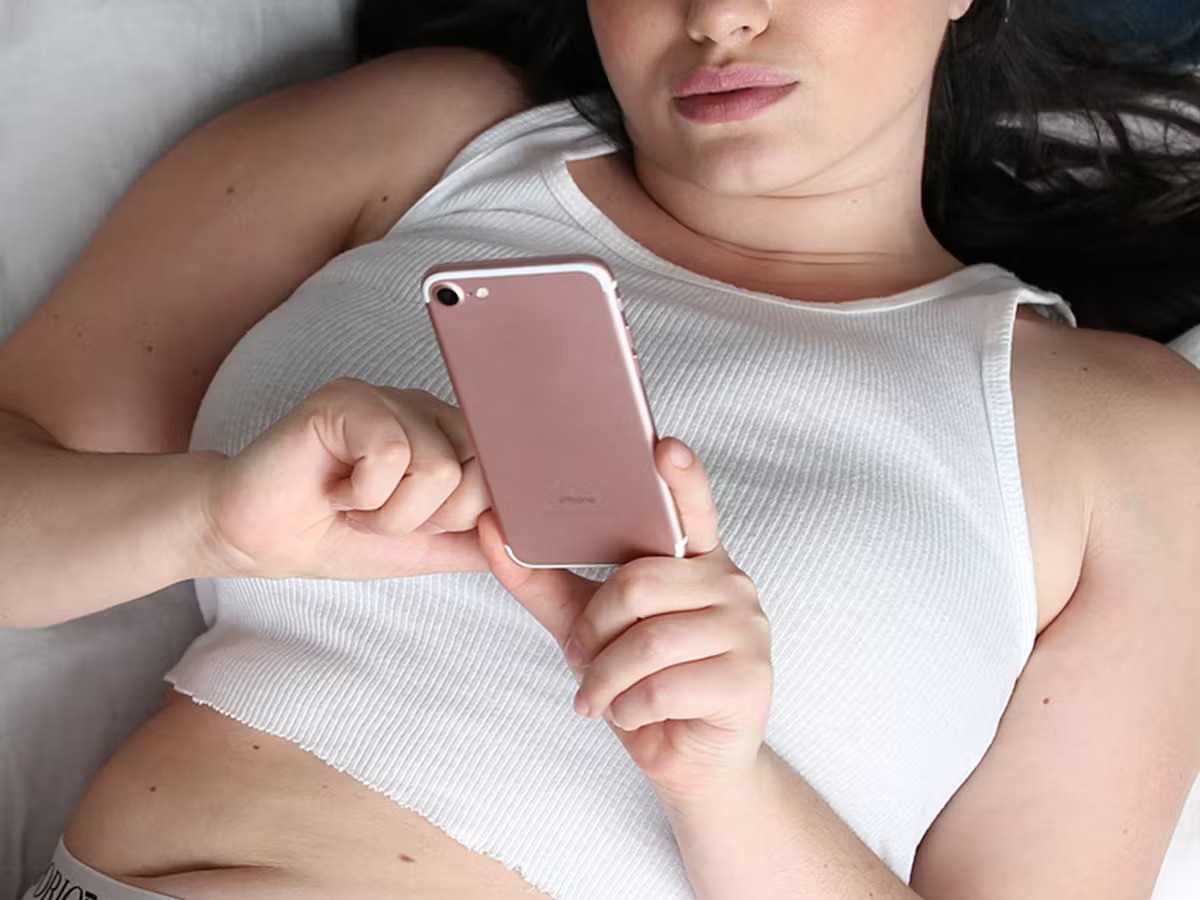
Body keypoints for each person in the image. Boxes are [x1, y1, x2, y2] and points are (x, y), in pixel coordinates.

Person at [4, 0, 1200, 897]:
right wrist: (210, 517)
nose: (718, 17)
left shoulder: (1119, 430)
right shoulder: (418, 144)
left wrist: (726, 781)